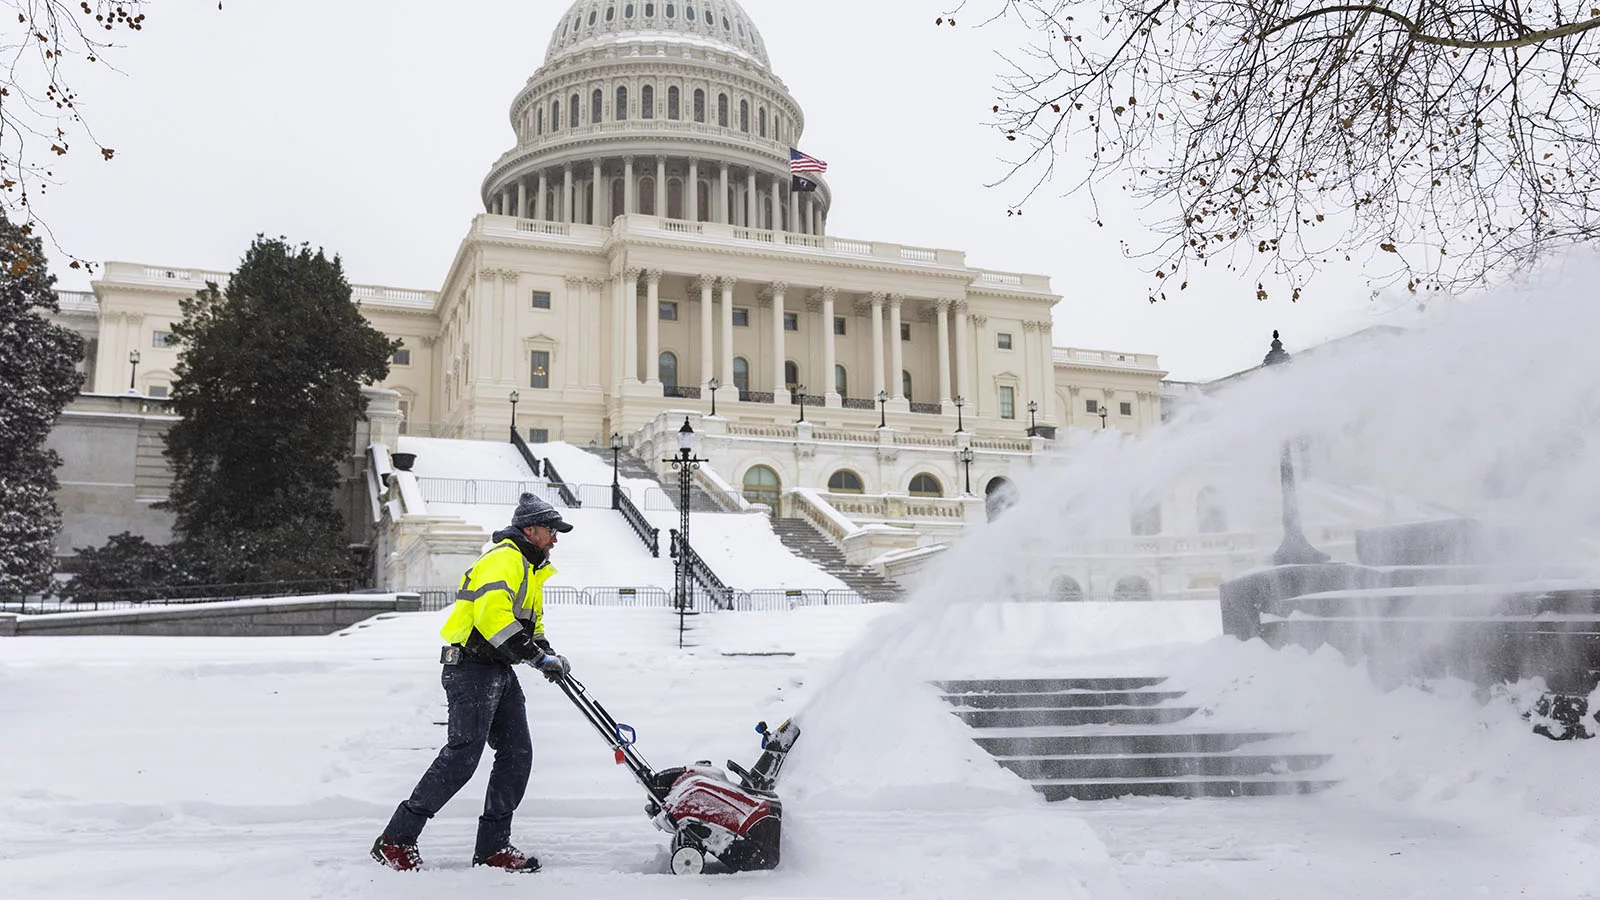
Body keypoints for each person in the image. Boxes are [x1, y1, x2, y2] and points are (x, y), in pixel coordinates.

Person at [372, 492, 574, 872]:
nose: (556, 538)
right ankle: (395, 839)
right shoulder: (504, 560)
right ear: (530, 529)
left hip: (497, 667)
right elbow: (492, 620)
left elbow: (533, 624)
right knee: (463, 755)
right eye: (551, 530)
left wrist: (547, 653)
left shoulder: (531, 569)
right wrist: (536, 657)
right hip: (471, 668)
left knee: (517, 753)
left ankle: (493, 848)